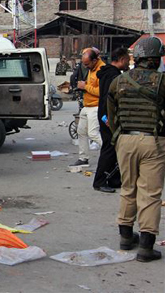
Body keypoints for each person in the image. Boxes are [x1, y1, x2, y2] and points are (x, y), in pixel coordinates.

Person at [107, 36, 165, 263]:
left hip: (125, 141)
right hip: (153, 141)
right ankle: (146, 248)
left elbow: (112, 115)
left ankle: (125, 237)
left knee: (128, 188)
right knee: (150, 194)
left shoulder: (119, 82)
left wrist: (117, 138)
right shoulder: (162, 81)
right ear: (154, 59)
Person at [93, 47, 130, 193]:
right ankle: (99, 181)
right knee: (109, 148)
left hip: (106, 115)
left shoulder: (109, 73)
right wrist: (108, 118)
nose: (129, 62)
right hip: (108, 117)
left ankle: (114, 179)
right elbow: (108, 100)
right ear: (121, 59)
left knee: (114, 148)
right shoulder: (113, 76)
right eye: (127, 59)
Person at [71, 48, 105, 167]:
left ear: (95, 60)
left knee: (93, 133)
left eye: (87, 64)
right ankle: (83, 158)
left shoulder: (101, 69)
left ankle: (113, 152)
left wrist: (85, 87)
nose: (86, 66)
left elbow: (102, 91)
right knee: (81, 131)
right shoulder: (92, 68)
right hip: (87, 105)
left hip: (96, 105)